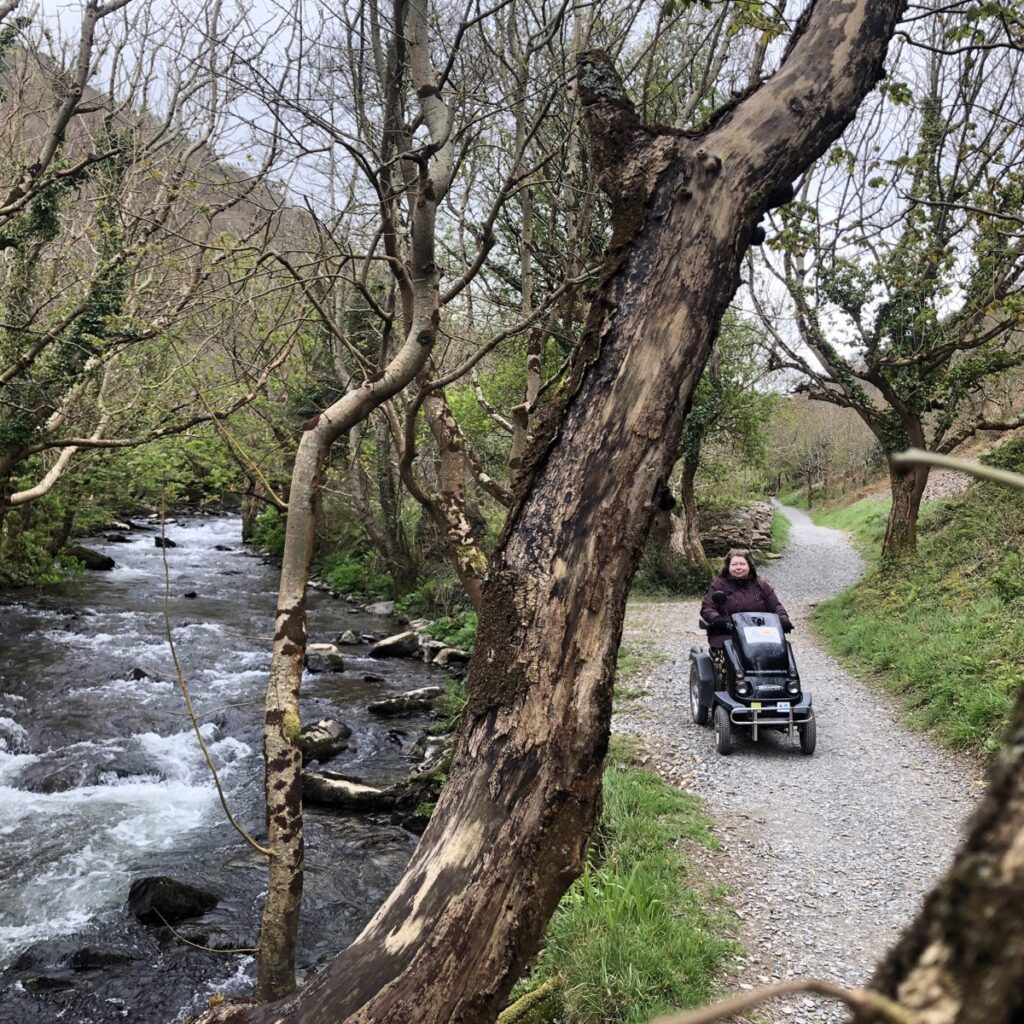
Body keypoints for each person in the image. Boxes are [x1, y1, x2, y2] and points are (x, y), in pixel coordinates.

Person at [700, 548, 793, 649]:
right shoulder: (719, 586)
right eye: (734, 564)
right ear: (728, 567)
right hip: (728, 632)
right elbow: (707, 607)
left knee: (780, 650)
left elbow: (776, 606)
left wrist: (783, 619)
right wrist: (717, 619)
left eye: (742, 564)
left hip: (759, 632)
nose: (738, 567)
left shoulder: (761, 585)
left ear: (749, 566)